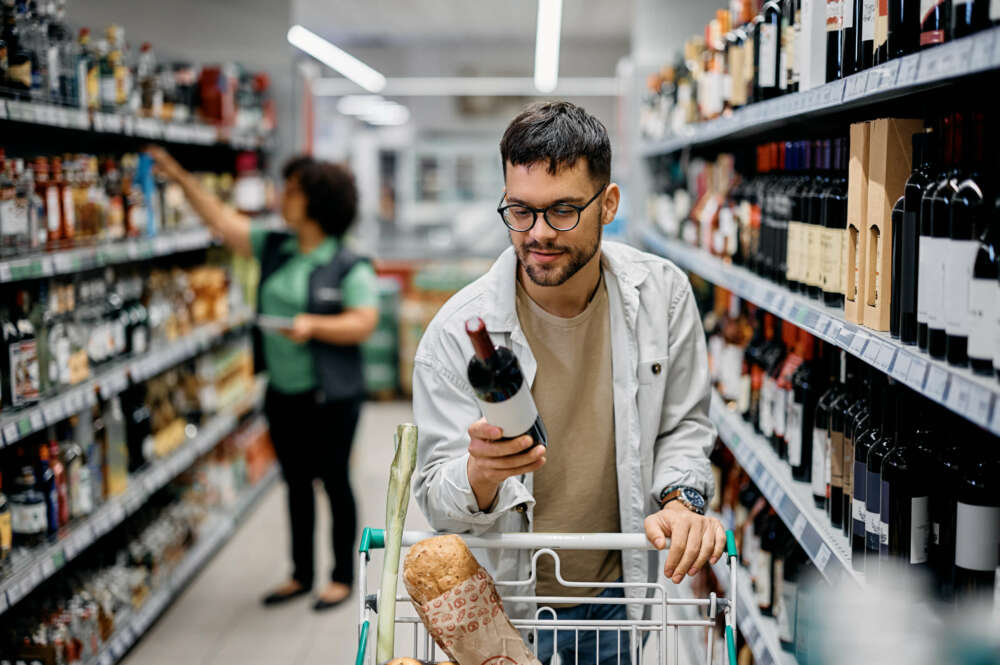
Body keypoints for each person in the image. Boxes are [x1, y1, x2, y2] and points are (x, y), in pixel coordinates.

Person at [411, 101, 724, 664]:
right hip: (503, 602)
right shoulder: (455, 335)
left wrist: (682, 501)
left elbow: (683, 426)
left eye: (561, 211)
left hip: (615, 587)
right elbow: (436, 500)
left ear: (608, 205)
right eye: (520, 212)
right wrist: (479, 474)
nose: (537, 234)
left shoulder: (663, 297)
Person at [148, 147, 377, 611]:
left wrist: (314, 325)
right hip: (283, 392)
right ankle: (300, 574)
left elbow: (364, 321)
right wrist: (177, 173)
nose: (282, 197)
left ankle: (340, 578)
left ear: (316, 201)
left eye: (292, 191)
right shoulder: (276, 245)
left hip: (332, 396)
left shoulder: (349, 264)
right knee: (294, 482)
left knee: (334, 481)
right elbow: (220, 220)